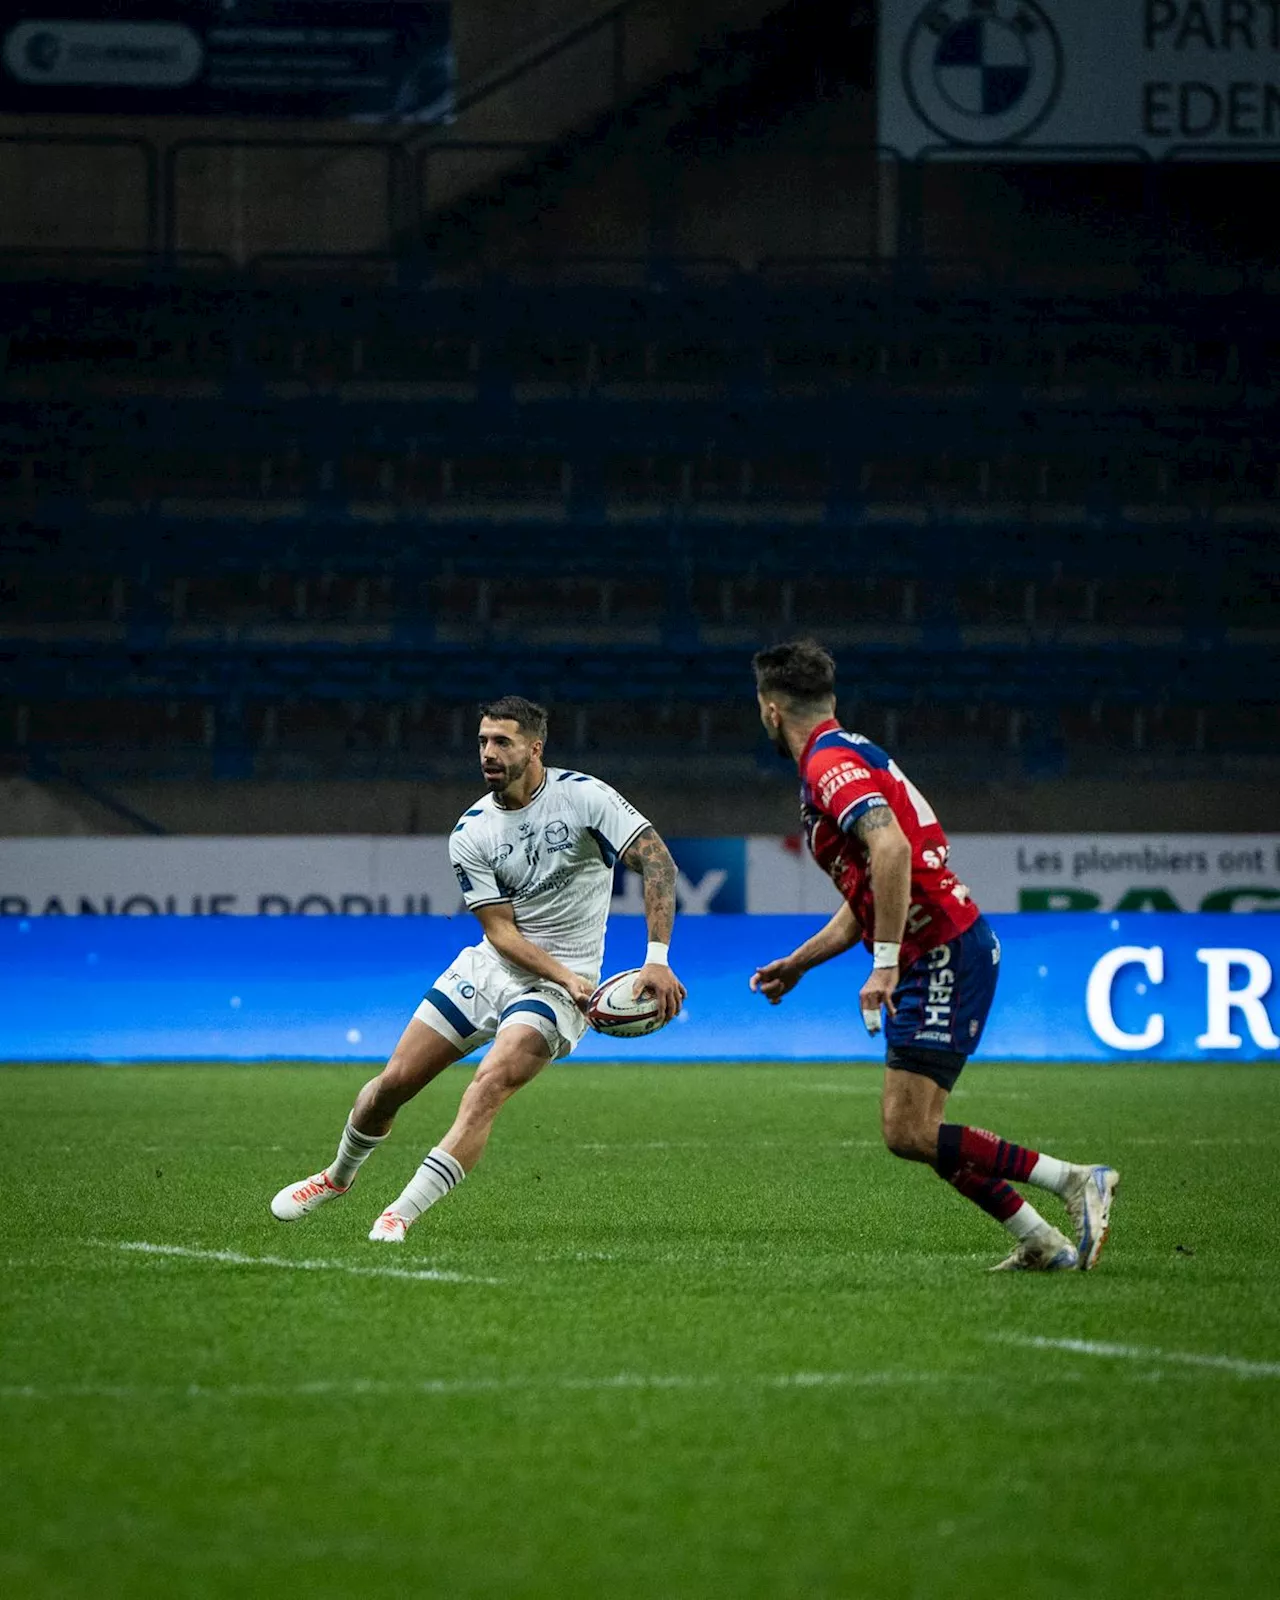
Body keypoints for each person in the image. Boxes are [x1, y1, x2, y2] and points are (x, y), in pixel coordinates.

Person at [748, 641, 1119, 1271]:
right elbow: (868, 890)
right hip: (935, 949)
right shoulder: (847, 753)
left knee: (910, 1131)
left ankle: (1075, 1181)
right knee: (916, 1131)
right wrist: (800, 962)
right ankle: (1042, 1241)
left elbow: (890, 850)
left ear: (770, 711)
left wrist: (885, 960)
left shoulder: (827, 764)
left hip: (940, 949)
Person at [271, 695, 686, 1243]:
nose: (488, 753)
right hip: (496, 968)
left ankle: (399, 1213)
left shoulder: (585, 798)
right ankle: (336, 1178)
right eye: (483, 742)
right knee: (391, 1086)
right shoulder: (471, 831)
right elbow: (501, 933)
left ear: (535, 748)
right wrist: (566, 977)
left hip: (562, 991)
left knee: (488, 1085)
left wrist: (655, 961)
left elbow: (657, 861)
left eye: (503, 742)